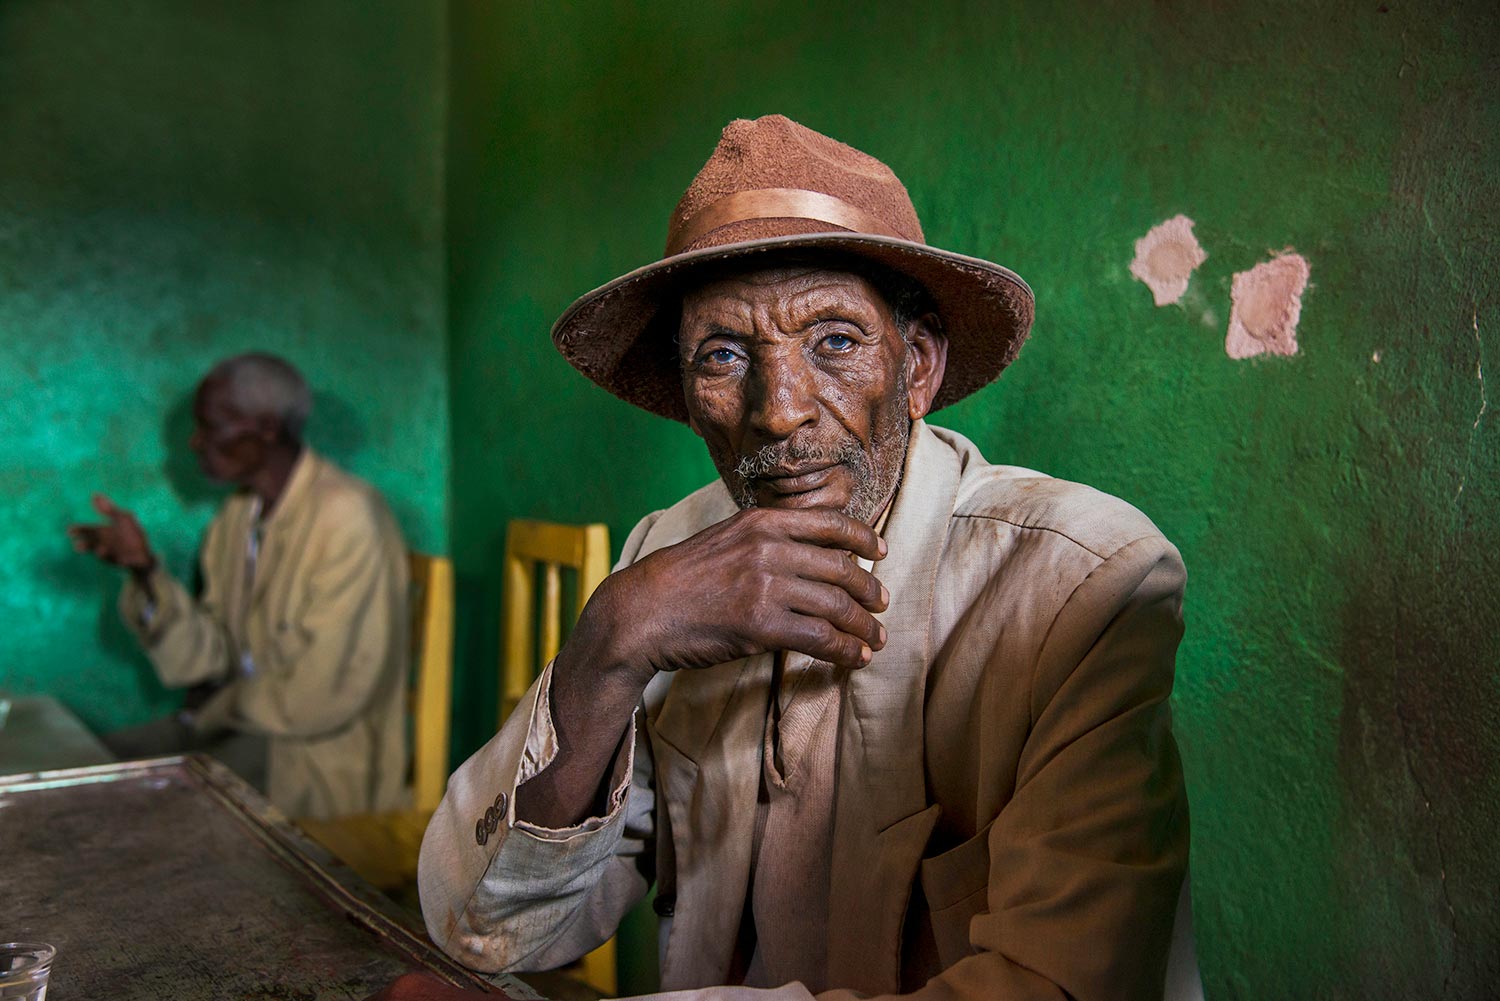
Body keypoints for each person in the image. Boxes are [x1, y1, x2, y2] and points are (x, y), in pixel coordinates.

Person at [411, 115, 1189, 1001]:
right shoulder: (667, 562)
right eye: (724, 354)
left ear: (919, 366)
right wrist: (607, 645)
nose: (777, 411)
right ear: (688, 397)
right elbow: (484, 924)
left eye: (835, 340)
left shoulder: (1082, 588)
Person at [69, 353, 411, 820]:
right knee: (76, 765)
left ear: (267, 428)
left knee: (127, 810)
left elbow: (320, 696)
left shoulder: (348, 515)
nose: (195, 441)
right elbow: (210, 658)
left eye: (211, 426)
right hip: (241, 726)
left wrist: (216, 705)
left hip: (312, 758)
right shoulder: (237, 518)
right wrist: (145, 570)